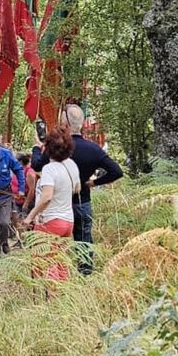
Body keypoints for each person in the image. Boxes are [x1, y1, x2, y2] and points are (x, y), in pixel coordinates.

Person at [62, 100, 125, 274]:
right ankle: (85, 273)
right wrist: (94, 182)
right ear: (81, 124)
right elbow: (116, 171)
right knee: (84, 239)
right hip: (83, 200)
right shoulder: (93, 149)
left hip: (59, 203)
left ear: (65, 124)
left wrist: (38, 148)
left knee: (56, 241)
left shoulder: (58, 147)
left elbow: (37, 165)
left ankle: (58, 277)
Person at [26, 126, 83, 283]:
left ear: (48, 148)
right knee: (61, 260)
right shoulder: (72, 165)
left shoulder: (49, 169)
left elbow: (46, 198)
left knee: (46, 262)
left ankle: (51, 299)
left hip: (50, 221)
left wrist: (29, 217)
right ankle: (63, 298)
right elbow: (77, 188)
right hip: (68, 221)